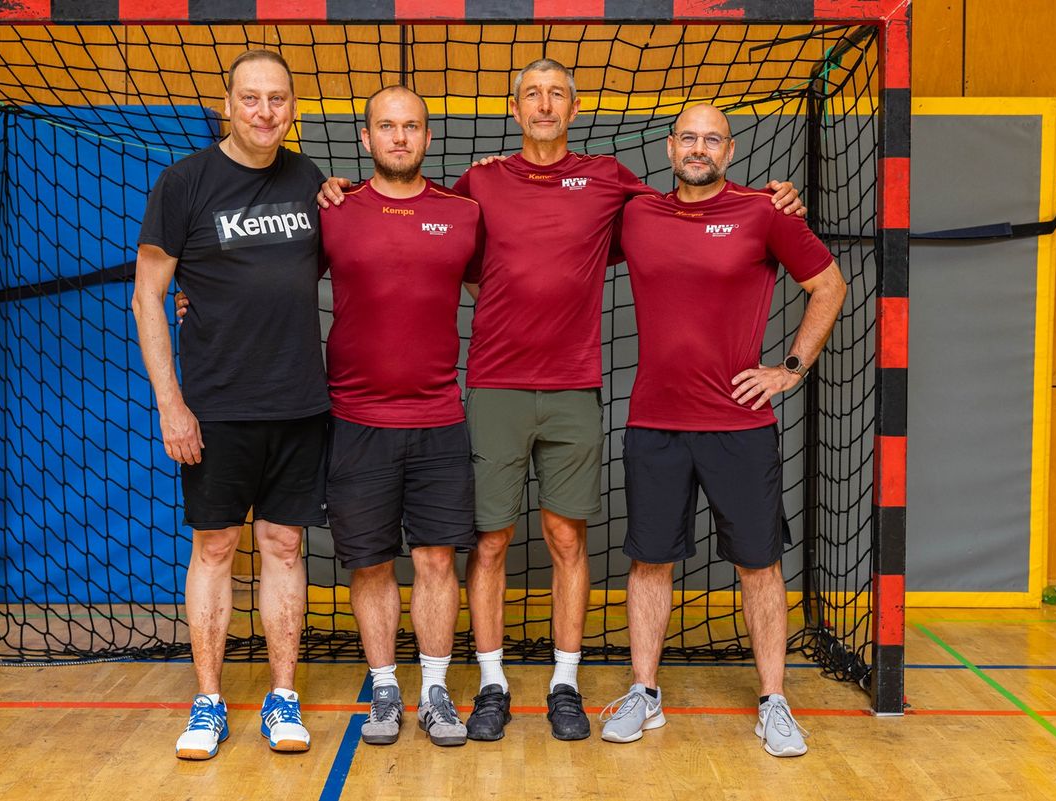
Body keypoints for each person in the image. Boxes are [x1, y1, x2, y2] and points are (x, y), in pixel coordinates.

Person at [321, 59, 804, 742]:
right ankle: (491, 683)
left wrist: (773, 199)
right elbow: (425, 245)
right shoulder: (476, 186)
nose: (544, 105)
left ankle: (565, 683)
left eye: (556, 95)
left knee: (564, 537)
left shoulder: (610, 181)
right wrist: (337, 192)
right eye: (532, 95)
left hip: (575, 387)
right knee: (487, 543)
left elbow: (696, 197)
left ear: (573, 109)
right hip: (492, 386)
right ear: (514, 108)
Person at [598, 103, 847, 757]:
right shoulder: (636, 214)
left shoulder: (764, 212)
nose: (699, 148)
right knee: (650, 561)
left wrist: (790, 368)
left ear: (730, 151)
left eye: (712, 139)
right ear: (670, 147)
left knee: (759, 565)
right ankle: (644, 692)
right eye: (688, 137)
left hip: (739, 424)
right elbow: (559, 228)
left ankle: (774, 701)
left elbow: (829, 283)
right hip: (654, 423)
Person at [132, 49, 329, 760]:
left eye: (278, 99)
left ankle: (283, 696)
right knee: (215, 546)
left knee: (284, 544)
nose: (265, 111)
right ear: (228, 103)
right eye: (252, 98)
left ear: (292, 108)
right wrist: (170, 404)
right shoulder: (184, 183)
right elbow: (148, 295)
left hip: (301, 403)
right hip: (215, 407)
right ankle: (209, 701)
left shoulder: (308, 179)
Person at [319, 85, 482, 747]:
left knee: (438, 560)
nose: (398, 137)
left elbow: (512, 280)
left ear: (427, 136)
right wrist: (196, 306)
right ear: (365, 138)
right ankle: (385, 686)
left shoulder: (464, 212)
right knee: (370, 564)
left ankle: (436, 690)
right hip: (355, 419)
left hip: (440, 416)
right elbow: (267, 279)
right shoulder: (333, 209)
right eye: (385, 126)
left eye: (410, 126)